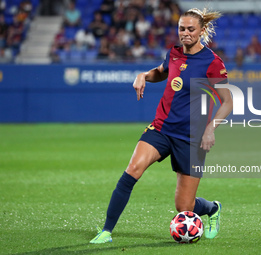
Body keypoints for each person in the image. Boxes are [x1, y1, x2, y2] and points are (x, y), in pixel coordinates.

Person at [90, 8, 233, 244]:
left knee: (184, 207)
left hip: (191, 138)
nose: (185, 33)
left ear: (201, 31)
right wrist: (144, 75)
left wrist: (210, 129)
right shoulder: (174, 53)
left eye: (190, 29)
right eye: (181, 29)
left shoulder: (212, 63)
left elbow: (228, 102)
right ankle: (106, 231)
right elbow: (161, 72)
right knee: (132, 170)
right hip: (162, 129)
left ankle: (212, 208)